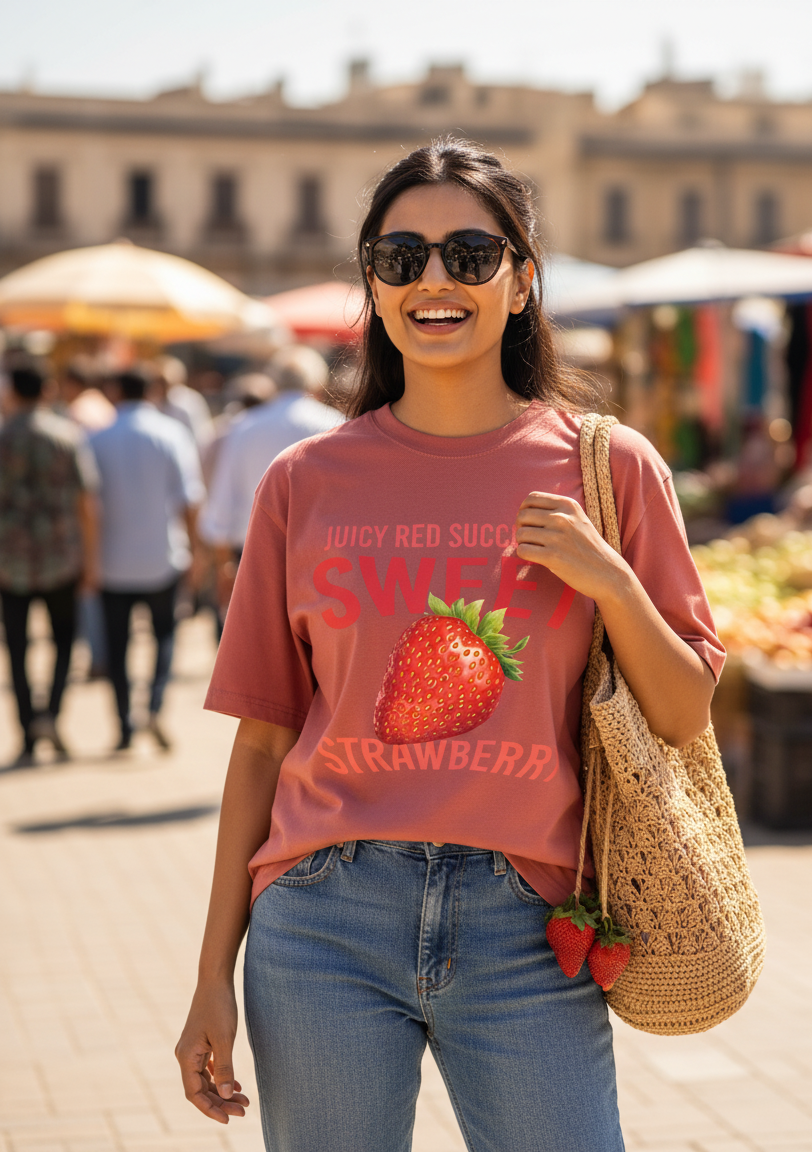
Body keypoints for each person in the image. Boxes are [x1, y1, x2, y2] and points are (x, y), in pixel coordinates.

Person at [176, 140, 725, 1151]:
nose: (434, 279)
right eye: (401, 257)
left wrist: (606, 579)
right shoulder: (304, 482)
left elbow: (685, 711)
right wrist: (211, 976)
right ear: (374, 287)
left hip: (532, 923)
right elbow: (260, 744)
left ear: (520, 282)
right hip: (319, 918)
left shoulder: (606, 467)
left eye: (470, 254)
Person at [91, 367, 205, 751]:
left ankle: (123, 723)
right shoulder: (171, 434)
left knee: (116, 644)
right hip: (163, 556)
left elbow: (87, 505)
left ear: (114, 389)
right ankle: (154, 704)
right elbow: (190, 501)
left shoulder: (97, 438)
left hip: (111, 560)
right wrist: (197, 552)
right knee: (165, 637)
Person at [199, 346, 343, 628]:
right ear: (316, 383)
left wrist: (221, 563)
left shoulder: (244, 425)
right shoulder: (336, 424)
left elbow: (223, 498)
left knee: (259, 638)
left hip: (252, 547)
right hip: (321, 553)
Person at [0, 361, 99, 762]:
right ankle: (52, 715)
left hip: (10, 560)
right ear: (46, 391)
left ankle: (27, 729)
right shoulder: (66, 436)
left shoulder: (3, 437)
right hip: (61, 556)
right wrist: (91, 560)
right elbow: (85, 502)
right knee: (62, 643)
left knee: (17, 649)